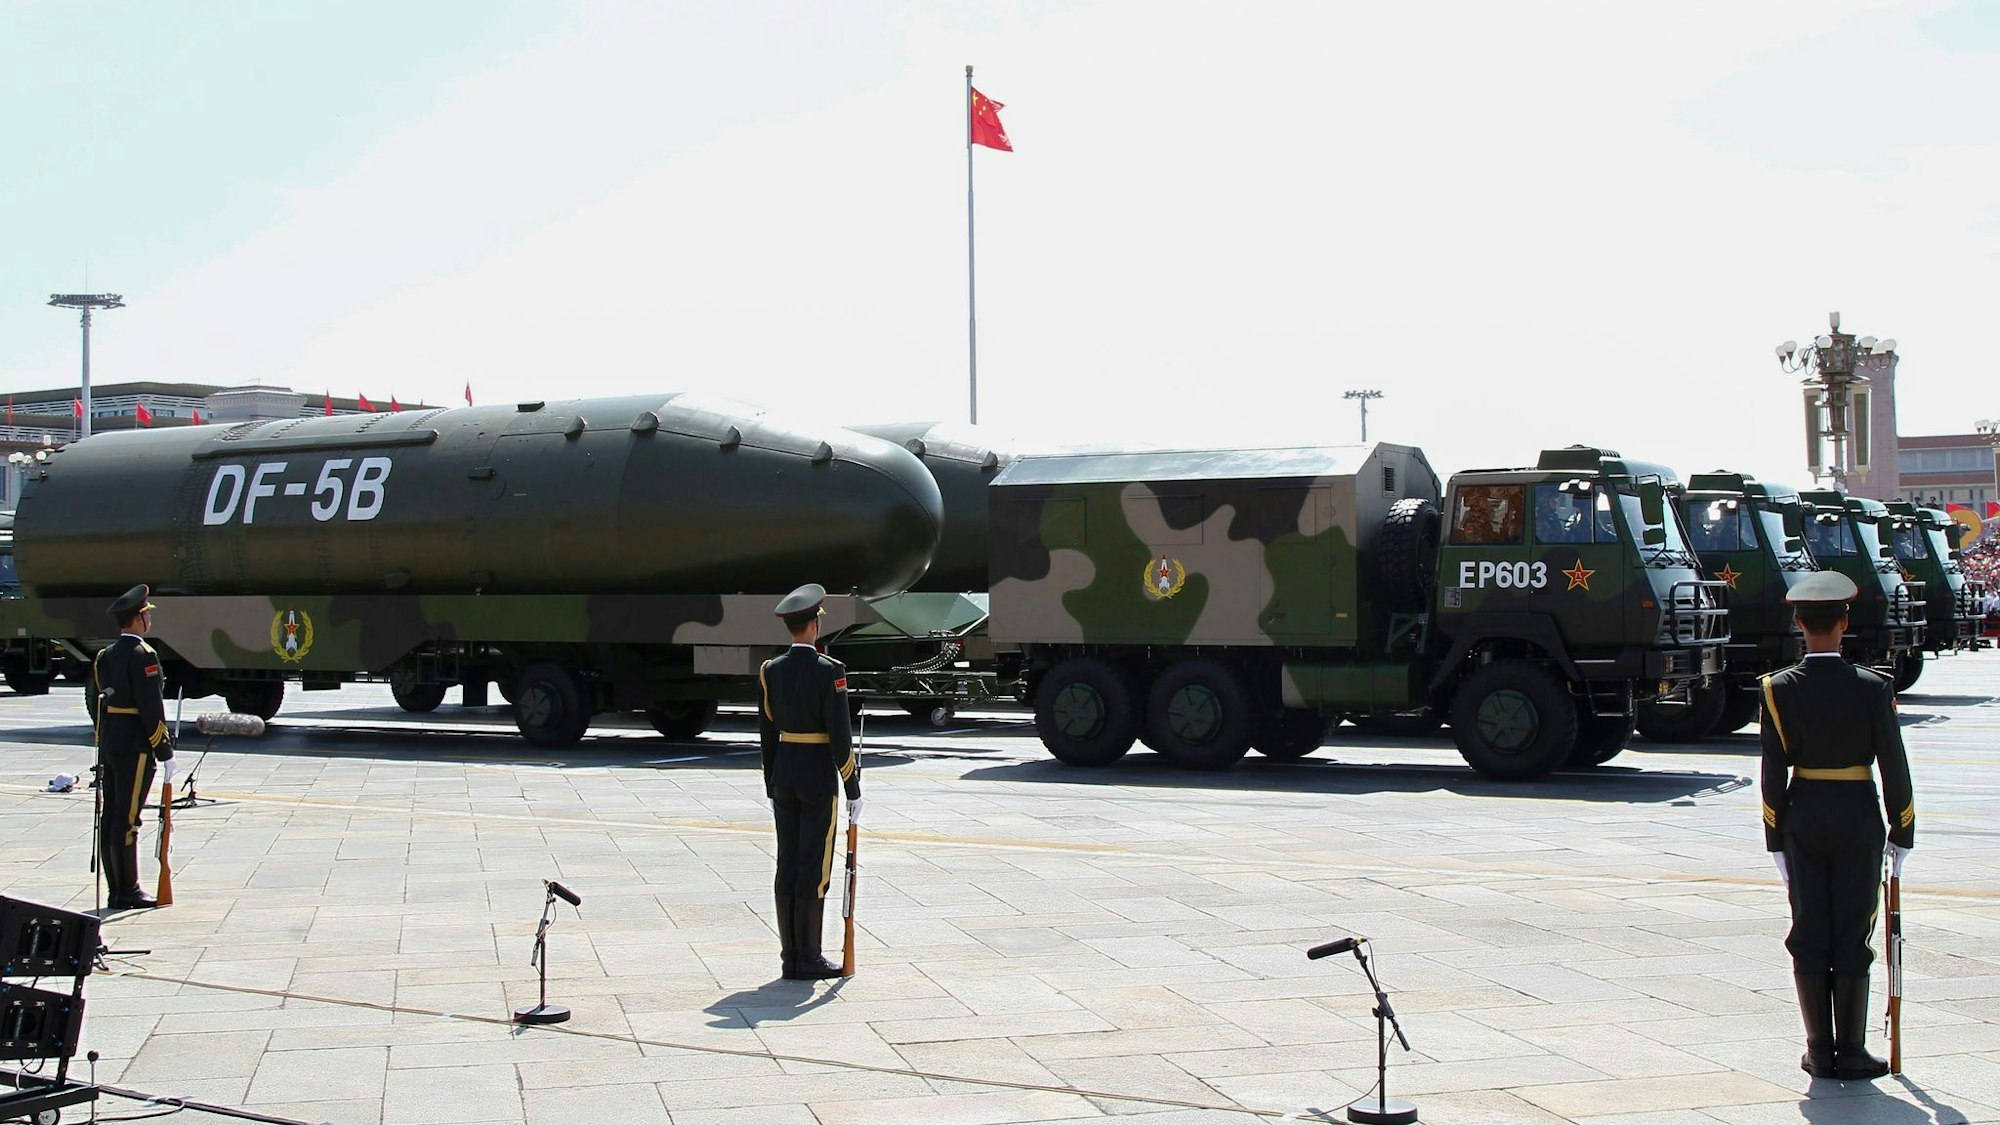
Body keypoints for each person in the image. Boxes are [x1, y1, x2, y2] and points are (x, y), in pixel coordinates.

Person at [1760, 571, 1915, 1080]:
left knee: (1808, 930)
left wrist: (1775, 838)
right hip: (1856, 817)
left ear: (1798, 623)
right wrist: (1902, 829)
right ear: (1844, 623)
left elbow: (1771, 772)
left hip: (1803, 816)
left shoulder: (1776, 689)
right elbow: (1893, 764)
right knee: (1853, 929)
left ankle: (1818, 1051)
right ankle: (1850, 1050)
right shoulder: (1874, 687)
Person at [759, 583, 861, 980]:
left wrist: (771, 783)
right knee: (814, 866)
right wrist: (852, 788)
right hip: (818, 775)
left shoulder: (771, 671)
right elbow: (839, 736)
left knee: (787, 862)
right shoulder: (830, 672)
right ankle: (810, 958)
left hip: (784, 773)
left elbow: (767, 734)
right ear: (815, 626)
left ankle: (791, 957)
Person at [92, 584, 174, 910]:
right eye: (146, 614)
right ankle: (128, 890)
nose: (148, 619)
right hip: (136, 744)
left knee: (111, 813)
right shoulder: (144, 655)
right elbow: (151, 708)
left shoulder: (105, 656)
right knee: (128, 818)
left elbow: (100, 705)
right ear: (138, 619)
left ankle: (116, 888)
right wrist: (163, 749)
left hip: (111, 741)